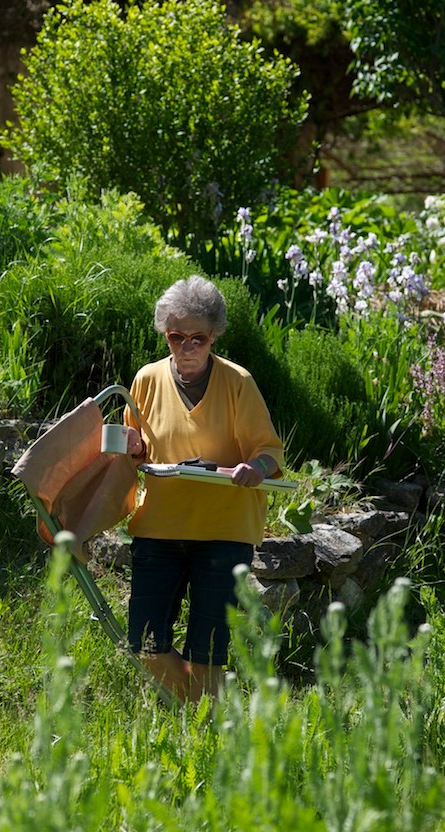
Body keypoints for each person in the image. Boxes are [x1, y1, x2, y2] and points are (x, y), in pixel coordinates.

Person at [123, 275, 284, 703]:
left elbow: (270, 451)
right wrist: (133, 447)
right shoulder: (146, 379)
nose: (186, 347)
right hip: (158, 527)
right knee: (144, 643)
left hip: (224, 530)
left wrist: (254, 466)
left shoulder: (238, 382)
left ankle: (205, 735)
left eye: (198, 337)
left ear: (214, 336)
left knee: (209, 651)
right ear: (165, 334)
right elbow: (133, 448)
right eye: (176, 336)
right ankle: (207, 715)